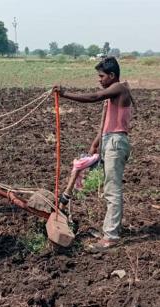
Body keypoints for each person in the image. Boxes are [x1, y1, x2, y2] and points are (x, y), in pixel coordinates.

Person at [53, 56, 133, 250]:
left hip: (115, 142)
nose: (99, 79)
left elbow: (93, 97)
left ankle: (111, 236)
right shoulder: (113, 92)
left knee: (112, 190)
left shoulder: (119, 88)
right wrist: (96, 142)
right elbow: (106, 121)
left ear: (112, 75)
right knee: (109, 188)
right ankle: (111, 229)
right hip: (108, 140)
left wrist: (65, 94)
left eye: (101, 76)